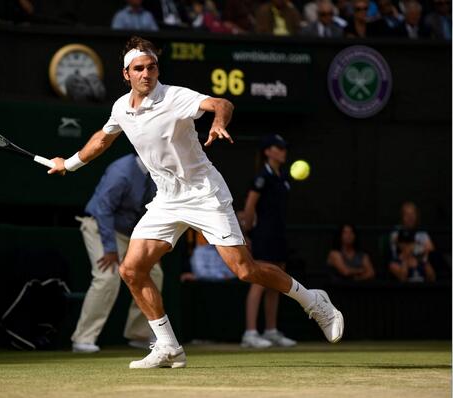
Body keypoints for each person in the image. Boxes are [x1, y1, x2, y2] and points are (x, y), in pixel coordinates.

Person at [47, 36, 344, 369]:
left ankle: (315, 302)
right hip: (167, 198)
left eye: (152, 67)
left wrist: (218, 122)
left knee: (244, 270)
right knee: (132, 269)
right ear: (126, 75)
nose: (147, 73)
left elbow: (222, 104)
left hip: (204, 193)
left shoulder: (174, 96)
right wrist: (68, 163)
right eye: (139, 69)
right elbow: (103, 138)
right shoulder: (120, 108)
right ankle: (168, 346)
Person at [71, 153, 163, 353]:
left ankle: (139, 334)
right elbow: (104, 209)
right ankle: (83, 339)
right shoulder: (121, 171)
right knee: (107, 277)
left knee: (154, 274)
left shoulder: (158, 172)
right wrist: (110, 249)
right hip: (101, 227)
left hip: (132, 234)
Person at [239, 134, 296, 349]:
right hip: (263, 235)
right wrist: (246, 234)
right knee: (259, 281)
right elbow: (249, 207)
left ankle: (271, 331)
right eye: (278, 148)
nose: (283, 151)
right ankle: (250, 333)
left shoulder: (283, 177)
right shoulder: (261, 177)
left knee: (277, 283)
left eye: (283, 148)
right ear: (268, 152)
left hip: (279, 235)